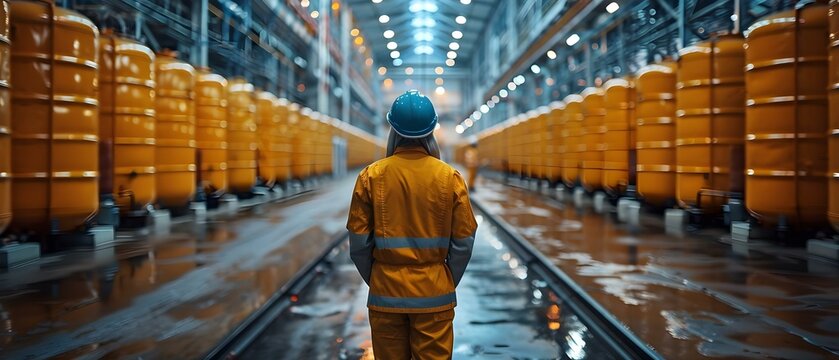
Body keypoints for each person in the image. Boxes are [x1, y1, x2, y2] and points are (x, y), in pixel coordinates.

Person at [346, 90, 478, 360]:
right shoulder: (449, 177)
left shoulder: (371, 176)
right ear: (431, 132)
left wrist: (380, 279)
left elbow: (358, 244)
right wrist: (444, 279)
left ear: (392, 129)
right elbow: (464, 242)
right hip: (435, 296)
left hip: (386, 295)